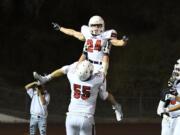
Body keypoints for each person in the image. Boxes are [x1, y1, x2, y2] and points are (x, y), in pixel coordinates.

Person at [33, 60, 123, 135]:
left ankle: (45, 78)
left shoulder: (72, 76)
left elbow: (64, 69)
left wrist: (47, 78)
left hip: (70, 117)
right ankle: (116, 106)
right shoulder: (97, 80)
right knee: (104, 94)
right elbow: (104, 69)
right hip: (86, 118)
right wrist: (106, 54)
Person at [52, 15, 128, 75]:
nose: (96, 28)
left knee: (99, 90)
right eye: (94, 25)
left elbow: (117, 42)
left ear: (103, 25)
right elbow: (73, 33)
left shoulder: (106, 35)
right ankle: (47, 78)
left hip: (100, 66)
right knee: (67, 68)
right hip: (87, 63)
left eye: (98, 25)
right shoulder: (86, 33)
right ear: (90, 25)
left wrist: (123, 41)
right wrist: (60, 28)